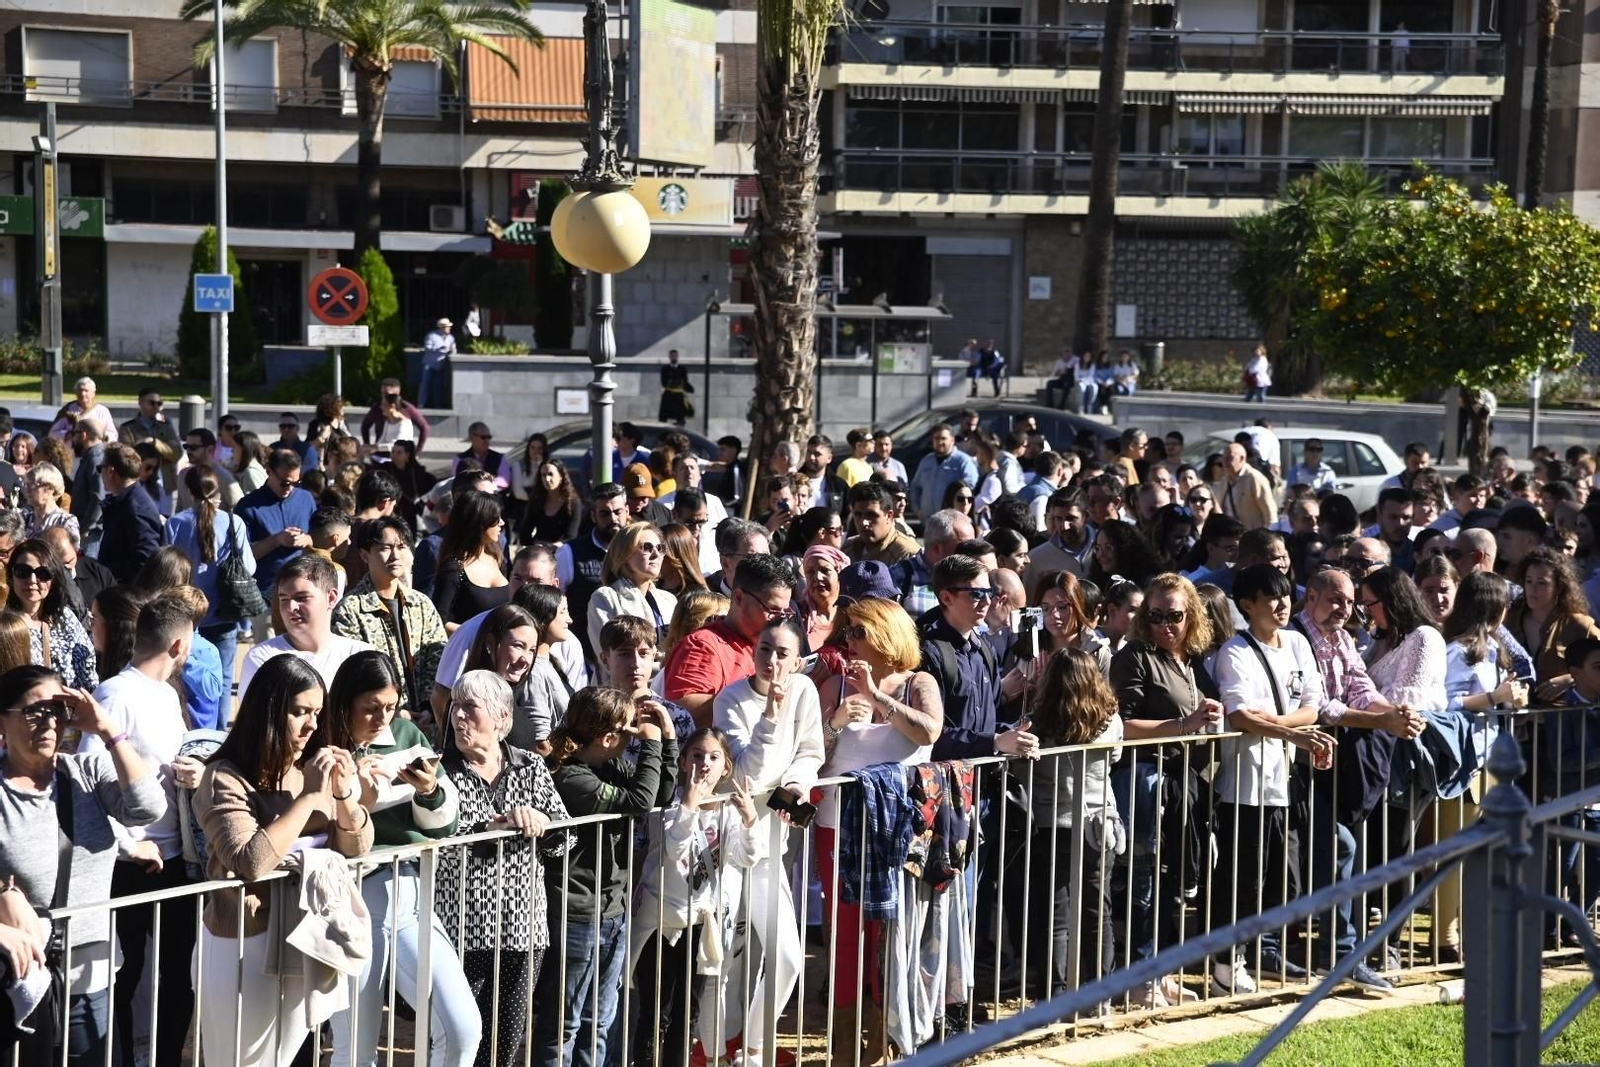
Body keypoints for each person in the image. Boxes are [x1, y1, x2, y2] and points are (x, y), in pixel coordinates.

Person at [191, 655, 370, 1067]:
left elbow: (357, 847)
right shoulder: (224, 776)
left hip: (305, 936)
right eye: (300, 712)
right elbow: (249, 861)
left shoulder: (306, 769)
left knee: (282, 1060)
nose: (311, 725)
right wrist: (309, 798)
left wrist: (343, 794)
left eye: (317, 713)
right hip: (244, 940)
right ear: (270, 711)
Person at [317, 651, 476, 1067]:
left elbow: (445, 823)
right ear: (345, 703)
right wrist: (352, 784)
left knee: (462, 1027)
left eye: (389, 707)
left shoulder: (406, 733)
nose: (382, 718)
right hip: (350, 895)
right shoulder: (323, 743)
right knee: (356, 1045)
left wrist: (428, 791)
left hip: (410, 891)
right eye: (370, 708)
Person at [0, 666, 162, 1065]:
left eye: (58, 709)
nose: (49, 722)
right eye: (34, 711)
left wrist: (107, 730)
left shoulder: (86, 772)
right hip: (18, 983)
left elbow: (148, 807)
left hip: (91, 981)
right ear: (2, 719)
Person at [814, 598, 940, 1058]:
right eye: (847, 632)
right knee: (846, 936)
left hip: (899, 833)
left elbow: (929, 732)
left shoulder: (917, 682)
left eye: (857, 632)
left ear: (886, 634)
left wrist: (877, 696)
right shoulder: (833, 684)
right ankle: (846, 1048)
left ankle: (887, 1040)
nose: (848, 641)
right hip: (838, 827)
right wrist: (835, 721)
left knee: (891, 935)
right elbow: (814, 752)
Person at [78, 598, 196, 1067]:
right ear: (178, 644)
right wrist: (130, 843)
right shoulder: (114, 695)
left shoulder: (168, 694)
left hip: (175, 862)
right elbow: (89, 778)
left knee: (176, 975)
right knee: (124, 977)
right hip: (128, 865)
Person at [534, 687, 677, 1067]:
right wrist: (649, 746)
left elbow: (661, 794)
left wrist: (668, 741)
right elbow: (639, 802)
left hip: (613, 910)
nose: (634, 734)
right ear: (608, 737)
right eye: (628, 730)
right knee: (563, 1025)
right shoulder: (570, 777)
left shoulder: (611, 766)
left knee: (598, 1021)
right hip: (574, 912)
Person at [1209, 564, 1335, 996]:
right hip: (1245, 785)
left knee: (1286, 880)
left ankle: (1252, 949)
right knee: (1242, 878)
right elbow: (1241, 714)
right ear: (1248, 605)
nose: (1283, 606)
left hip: (1285, 779)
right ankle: (1227, 961)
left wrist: (1278, 726)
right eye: (1271, 599)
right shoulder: (1235, 652)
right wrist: (1288, 731)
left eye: (1285, 597)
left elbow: (1313, 706)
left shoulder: (1298, 643)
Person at [436, 669, 571, 1067]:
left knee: (503, 1048)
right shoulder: (440, 771)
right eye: (455, 707)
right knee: (458, 1040)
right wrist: (487, 830)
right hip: (462, 932)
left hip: (523, 930)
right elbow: (435, 847)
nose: (458, 716)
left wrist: (541, 826)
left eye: (470, 708)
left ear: (500, 718)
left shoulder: (529, 765)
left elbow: (565, 840)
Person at [1108, 573, 1223, 1006]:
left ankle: (1162, 972)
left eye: (1174, 616)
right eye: (1154, 616)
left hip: (1181, 785)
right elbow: (1122, 725)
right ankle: (1138, 979)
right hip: (1144, 781)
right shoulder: (1137, 656)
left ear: (1190, 616)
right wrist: (1184, 725)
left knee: (1170, 881)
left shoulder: (1191, 662)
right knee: (1142, 882)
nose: (1164, 625)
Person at [713, 617, 822, 1066]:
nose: (771, 660)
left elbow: (812, 750)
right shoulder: (731, 699)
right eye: (764, 649)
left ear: (798, 660)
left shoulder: (806, 691)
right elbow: (747, 774)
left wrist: (797, 784)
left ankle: (753, 1051)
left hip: (768, 845)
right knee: (722, 962)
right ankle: (713, 1051)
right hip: (727, 844)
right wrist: (772, 716)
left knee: (787, 958)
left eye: (782, 653)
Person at [629, 727, 760, 1067]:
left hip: (702, 924)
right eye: (697, 756)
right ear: (684, 761)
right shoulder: (669, 808)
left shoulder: (727, 811)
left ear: (726, 767)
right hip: (661, 922)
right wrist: (689, 805)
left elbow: (746, 857)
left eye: (714, 757)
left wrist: (749, 821)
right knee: (655, 1012)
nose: (704, 764)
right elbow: (674, 849)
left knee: (688, 1013)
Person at [331, 516, 448, 729]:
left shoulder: (421, 603)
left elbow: (437, 657)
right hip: (378, 724)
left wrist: (427, 706)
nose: (395, 555)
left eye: (401, 547)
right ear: (365, 555)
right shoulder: (350, 610)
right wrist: (393, 710)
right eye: (385, 548)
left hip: (425, 724)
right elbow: (354, 671)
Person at [665, 554, 795, 729]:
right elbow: (683, 716)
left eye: (784, 613)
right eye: (772, 610)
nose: (778, 620)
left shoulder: (769, 644)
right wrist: (755, 689)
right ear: (739, 597)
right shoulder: (703, 645)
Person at [238, 554, 375, 696]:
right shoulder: (262, 659)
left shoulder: (360, 656)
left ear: (331, 598)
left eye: (301, 598)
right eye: (284, 599)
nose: (291, 607)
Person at [9, 538, 96, 691]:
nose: (32, 580)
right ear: (11, 574)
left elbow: (88, 669)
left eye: (43, 573)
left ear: (54, 579)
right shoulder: (5, 624)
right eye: (23, 571)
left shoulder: (65, 618)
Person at [586, 520, 678, 657]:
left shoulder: (669, 600)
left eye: (660, 548)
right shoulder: (605, 598)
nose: (656, 554)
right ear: (624, 553)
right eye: (647, 547)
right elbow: (611, 658)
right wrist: (668, 664)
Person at [238, 449, 318, 601]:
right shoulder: (248, 506)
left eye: (296, 482)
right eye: (285, 483)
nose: (290, 488)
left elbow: (318, 539)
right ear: (269, 471)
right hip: (264, 593)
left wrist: (307, 540)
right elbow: (243, 556)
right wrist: (276, 540)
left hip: (303, 590)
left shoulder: (306, 498)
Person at [435, 491, 512, 630]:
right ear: (479, 523)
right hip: (470, 649)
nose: (502, 522)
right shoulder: (453, 568)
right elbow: (438, 620)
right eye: (495, 518)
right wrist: (477, 635)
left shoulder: (497, 558)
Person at [94, 444, 162, 584]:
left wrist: (106, 569)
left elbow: (146, 560)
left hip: (130, 595)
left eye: (100, 468)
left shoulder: (136, 508)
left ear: (111, 471)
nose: (100, 474)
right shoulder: (124, 501)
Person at [117, 388, 180, 496]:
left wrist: (154, 442)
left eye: (159, 403)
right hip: (139, 481)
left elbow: (177, 453)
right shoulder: (127, 428)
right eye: (152, 403)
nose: (156, 407)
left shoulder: (166, 427)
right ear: (140, 403)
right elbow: (126, 456)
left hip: (164, 482)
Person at [910, 424, 978, 521]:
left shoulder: (963, 461)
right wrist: (917, 510)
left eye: (943, 438)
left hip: (952, 522)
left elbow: (969, 487)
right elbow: (915, 487)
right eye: (936, 438)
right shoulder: (927, 461)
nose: (939, 442)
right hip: (928, 522)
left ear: (952, 440)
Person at [1213, 442, 1278, 531]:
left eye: (1229, 458)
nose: (1225, 462)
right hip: (1231, 537)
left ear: (1242, 459)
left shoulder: (1254, 478)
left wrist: (1270, 535)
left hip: (1252, 536)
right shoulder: (1225, 480)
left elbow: (1269, 512)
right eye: (1223, 458)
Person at [522, 458, 583, 544]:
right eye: (543, 475)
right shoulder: (536, 500)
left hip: (562, 551)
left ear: (561, 476)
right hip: (539, 550)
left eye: (551, 474)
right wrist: (536, 545)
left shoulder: (573, 502)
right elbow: (525, 533)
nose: (547, 479)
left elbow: (571, 536)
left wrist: (556, 546)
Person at [362, 377, 431, 453]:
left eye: (387, 395)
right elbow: (365, 425)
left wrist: (417, 452)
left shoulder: (407, 409)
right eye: (382, 394)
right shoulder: (378, 409)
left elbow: (425, 427)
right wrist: (367, 445)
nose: (384, 398)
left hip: (399, 454)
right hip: (381, 451)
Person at [22, 461, 79, 545]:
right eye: (26, 485)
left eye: (32, 485)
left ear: (50, 488)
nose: (27, 490)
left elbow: (71, 554)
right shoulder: (25, 518)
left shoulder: (65, 521)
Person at [48, 377, 118, 444]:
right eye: (80, 390)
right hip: (72, 453)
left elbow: (113, 434)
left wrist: (102, 437)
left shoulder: (102, 411)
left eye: (86, 391)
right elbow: (52, 434)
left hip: (96, 453)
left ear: (93, 393)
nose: (83, 394)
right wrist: (70, 435)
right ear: (76, 392)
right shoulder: (67, 410)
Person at [422, 317, 457, 407]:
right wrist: (439, 349)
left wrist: (452, 351)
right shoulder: (431, 335)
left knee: (439, 386)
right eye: (447, 327)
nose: (449, 328)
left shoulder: (451, 338)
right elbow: (427, 348)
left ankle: (437, 405)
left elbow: (453, 349)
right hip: (429, 364)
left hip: (441, 365)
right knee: (425, 385)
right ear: (442, 327)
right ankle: (421, 404)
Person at [657, 348, 695, 425]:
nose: (674, 357)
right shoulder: (665, 369)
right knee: (663, 416)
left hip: (679, 395)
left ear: (678, 357)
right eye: (672, 356)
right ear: (669, 357)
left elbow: (685, 381)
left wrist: (689, 388)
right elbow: (663, 382)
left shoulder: (682, 369)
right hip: (668, 394)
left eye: (675, 356)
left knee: (680, 416)